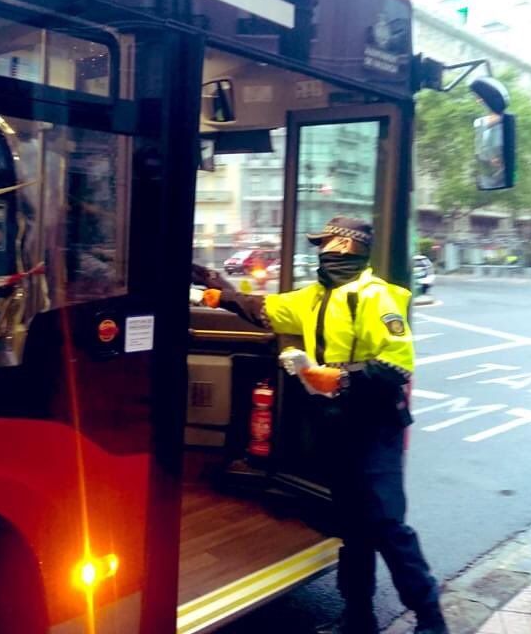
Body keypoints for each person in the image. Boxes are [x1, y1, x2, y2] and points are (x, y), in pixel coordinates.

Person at [192, 216, 448, 634]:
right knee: (351, 523)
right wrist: (217, 292)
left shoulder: (374, 296)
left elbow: (397, 365)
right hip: (336, 423)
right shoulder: (313, 298)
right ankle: (358, 617)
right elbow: (264, 310)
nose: (320, 250)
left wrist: (342, 377)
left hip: (374, 426)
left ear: (345, 246)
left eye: (324, 242)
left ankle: (431, 619)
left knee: (387, 523)